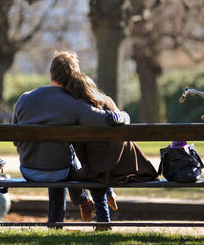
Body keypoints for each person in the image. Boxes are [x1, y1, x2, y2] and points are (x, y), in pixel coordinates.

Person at [12, 51, 130, 227]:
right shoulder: (74, 104)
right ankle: (74, 209)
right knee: (65, 158)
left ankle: (60, 219)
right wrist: (125, 116)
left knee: (58, 156)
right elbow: (106, 120)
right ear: (74, 75)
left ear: (51, 73)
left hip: (27, 170)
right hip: (59, 171)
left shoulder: (24, 98)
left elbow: (15, 138)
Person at [62, 70, 159, 210]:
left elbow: (82, 154)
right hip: (123, 168)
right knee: (98, 166)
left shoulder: (80, 113)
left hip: (99, 171)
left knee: (85, 171)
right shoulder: (107, 101)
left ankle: (97, 216)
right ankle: (109, 194)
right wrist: (124, 116)